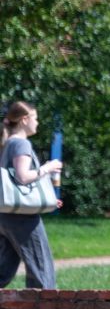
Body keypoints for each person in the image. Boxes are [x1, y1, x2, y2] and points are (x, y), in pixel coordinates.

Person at [0, 101, 63, 290]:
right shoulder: (21, 144)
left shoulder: (6, 143)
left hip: (5, 214)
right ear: (24, 119)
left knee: (4, 269)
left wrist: (47, 200)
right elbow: (23, 177)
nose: (38, 123)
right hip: (22, 218)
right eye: (35, 118)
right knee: (42, 270)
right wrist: (48, 167)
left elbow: (11, 183)